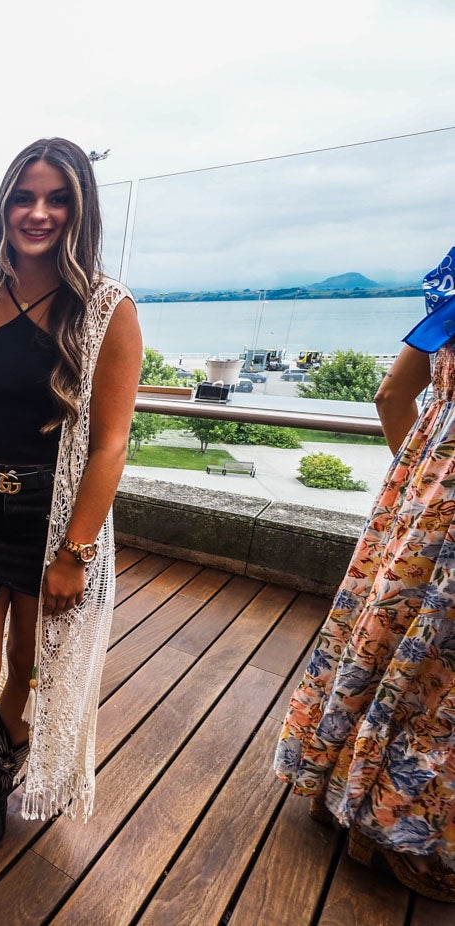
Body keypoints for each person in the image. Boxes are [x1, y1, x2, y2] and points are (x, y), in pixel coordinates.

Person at [0, 138, 141, 914]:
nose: (37, 213)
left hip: (51, 524)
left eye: (55, 199)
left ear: (79, 210)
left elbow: (109, 441)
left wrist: (75, 551)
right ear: (3, 208)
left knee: (27, 668)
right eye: (23, 197)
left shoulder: (107, 308)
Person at [274, 246, 455, 903]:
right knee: (438, 682)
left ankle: (335, 788)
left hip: (428, 497)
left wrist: (422, 489)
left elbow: (391, 395)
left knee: (385, 641)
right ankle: (404, 834)